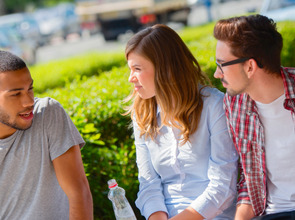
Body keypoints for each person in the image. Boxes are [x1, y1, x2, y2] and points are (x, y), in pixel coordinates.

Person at [124, 24, 238, 220]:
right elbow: (148, 183)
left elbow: (223, 186)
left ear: (165, 69)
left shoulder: (214, 106)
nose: (130, 78)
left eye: (137, 68)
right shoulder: (141, 114)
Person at [213, 14, 295, 220]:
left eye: (221, 64)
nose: (216, 73)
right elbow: (250, 180)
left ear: (250, 67)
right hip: (278, 213)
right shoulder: (234, 104)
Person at [0, 50, 93, 220]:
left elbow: (79, 193)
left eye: (30, 89)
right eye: (16, 94)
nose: (28, 101)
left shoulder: (47, 113)